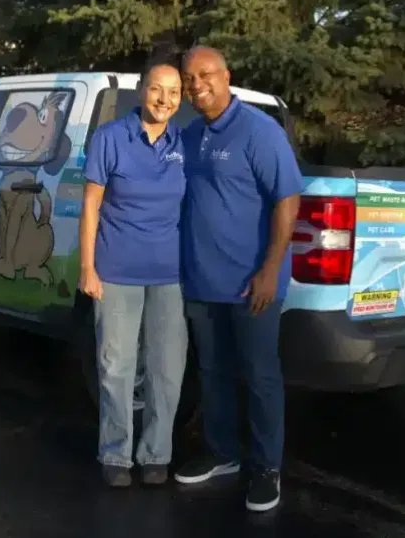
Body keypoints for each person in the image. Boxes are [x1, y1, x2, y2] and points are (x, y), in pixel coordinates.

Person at [173, 46, 303, 513]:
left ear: (227, 76)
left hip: (253, 282)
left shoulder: (259, 132)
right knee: (213, 371)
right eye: (189, 78)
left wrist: (270, 270)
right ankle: (223, 453)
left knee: (260, 374)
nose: (197, 85)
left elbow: (288, 200)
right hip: (202, 282)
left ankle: (267, 467)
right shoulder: (189, 135)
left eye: (205, 75)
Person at [79, 60, 189, 488]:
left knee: (167, 368)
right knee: (116, 366)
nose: (165, 99)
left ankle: (157, 453)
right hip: (117, 271)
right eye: (157, 89)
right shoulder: (111, 137)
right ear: (141, 90)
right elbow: (91, 205)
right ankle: (116, 454)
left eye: (174, 92)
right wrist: (88, 268)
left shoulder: (185, 142)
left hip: (170, 274)